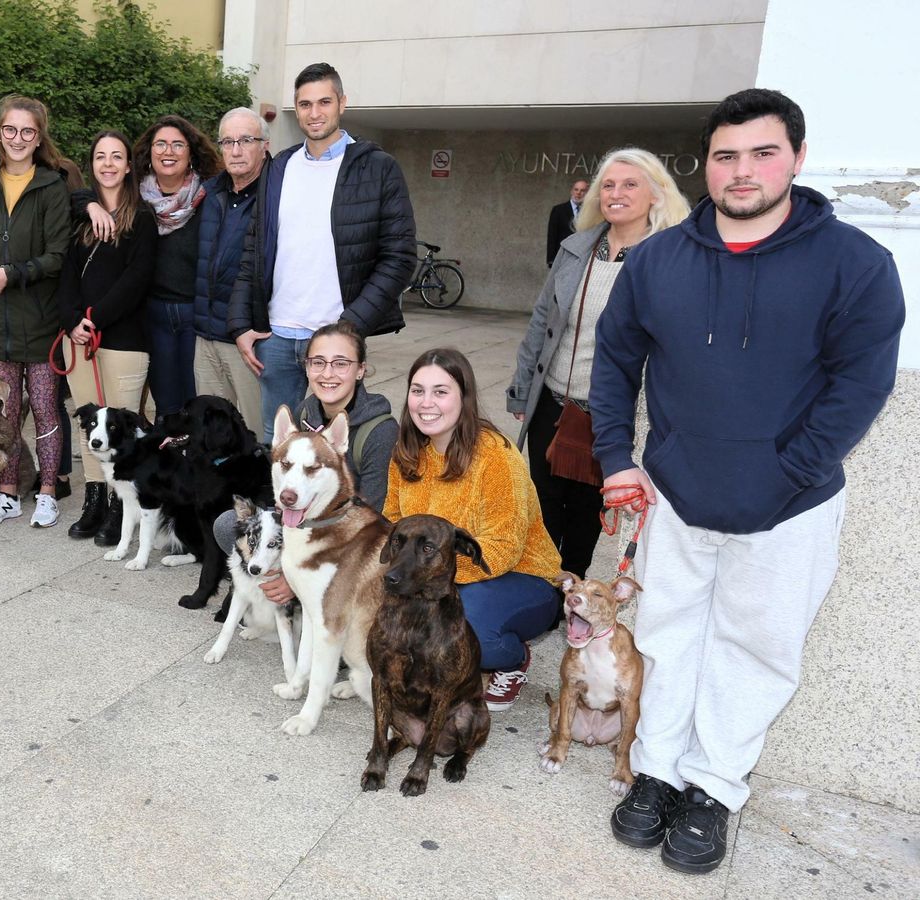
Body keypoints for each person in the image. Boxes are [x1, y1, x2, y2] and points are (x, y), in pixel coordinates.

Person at [592, 89, 904, 874]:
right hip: (675, 495)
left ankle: (712, 788)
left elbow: (860, 385)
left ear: (798, 158)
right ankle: (657, 771)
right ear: (706, 164)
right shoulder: (658, 259)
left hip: (791, 507)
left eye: (763, 153)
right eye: (726, 156)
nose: (742, 171)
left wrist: (788, 475)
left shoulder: (856, 263)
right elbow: (616, 360)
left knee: (756, 650)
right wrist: (617, 457)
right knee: (665, 637)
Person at [507, 150, 689, 578]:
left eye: (630, 184)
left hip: (607, 416)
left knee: (585, 518)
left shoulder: (669, 259)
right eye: (608, 185)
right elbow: (542, 320)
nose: (616, 193)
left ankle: (570, 589)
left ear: (656, 195)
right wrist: (521, 388)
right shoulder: (576, 249)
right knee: (542, 509)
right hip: (552, 404)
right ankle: (540, 589)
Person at [228, 62, 418, 442]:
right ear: (296, 109)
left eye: (324, 102)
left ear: (342, 103)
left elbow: (399, 257)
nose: (314, 113)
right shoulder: (279, 168)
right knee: (277, 441)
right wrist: (240, 324)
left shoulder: (378, 168)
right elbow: (253, 250)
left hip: (337, 336)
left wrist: (350, 326)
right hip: (276, 337)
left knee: (340, 446)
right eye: (305, 104)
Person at [384, 348, 561, 712]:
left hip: (522, 576)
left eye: (440, 391)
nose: (426, 403)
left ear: (464, 397)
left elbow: (502, 548)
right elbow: (392, 521)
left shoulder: (495, 456)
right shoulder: (407, 451)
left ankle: (512, 659)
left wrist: (427, 580)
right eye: (417, 391)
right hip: (438, 574)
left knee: (467, 625)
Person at [0, 94, 72, 529]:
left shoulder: (51, 186)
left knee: (44, 409)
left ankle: (47, 492)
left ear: (38, 138)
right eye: (10, 130)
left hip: (41, 320)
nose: (17, 138)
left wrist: (12, 272)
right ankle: (7, 494)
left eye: (27, 131)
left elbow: (57, 255)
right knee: (3, 414)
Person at [212, 320, 398, 594]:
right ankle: (276, 591)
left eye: (341, 363)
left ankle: (295, 592)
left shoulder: (380, 431)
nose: (327, 373)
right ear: (307, 367)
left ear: (360, 370)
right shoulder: (305, 412)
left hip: (350, 543)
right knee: (228, 525)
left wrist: (296, 575)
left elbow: (371, 524)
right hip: (305, 525)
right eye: (318, 362)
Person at [59, 130, 158, 540]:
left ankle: (122, 509)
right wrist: (72, 321)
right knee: (90, 425)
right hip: (78, 339)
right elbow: (66, 275)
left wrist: (94, 319)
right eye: (101, 156)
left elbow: (136, 280)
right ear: (92, 164)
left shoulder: (143, 219)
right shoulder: (79, 218)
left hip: (124, 340)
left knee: (123, 429)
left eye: (117, 156)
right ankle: (95, 501)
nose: (108, 164)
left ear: (129, 165)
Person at [133, 115, 219, 417]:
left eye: (177, 145)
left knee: (198, 404)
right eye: (160, 144)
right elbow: (87, 194)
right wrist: (89, 205)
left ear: (191, 152)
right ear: (149, 152)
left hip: (198, 314)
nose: (168, 151)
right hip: (153, 315)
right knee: (166, 407)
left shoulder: (210, 195)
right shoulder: (134, 196)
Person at [194, 107, 269, 433]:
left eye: (246, 140)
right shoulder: (209, 193)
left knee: (256, 435)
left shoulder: (277, 194)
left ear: (264, 145)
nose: (236, 150)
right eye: (228, 142)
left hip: (251, 342)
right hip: (206, 337)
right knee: (211, 437)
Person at [546, 179, 589, 267]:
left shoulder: (590, 212)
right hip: (563, 256)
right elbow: (552, 235)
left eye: (582, 190)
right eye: (576, 189)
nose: (578, 193)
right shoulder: (558, 210)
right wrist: (551, 260)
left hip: (582, 257)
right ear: (571, 191)